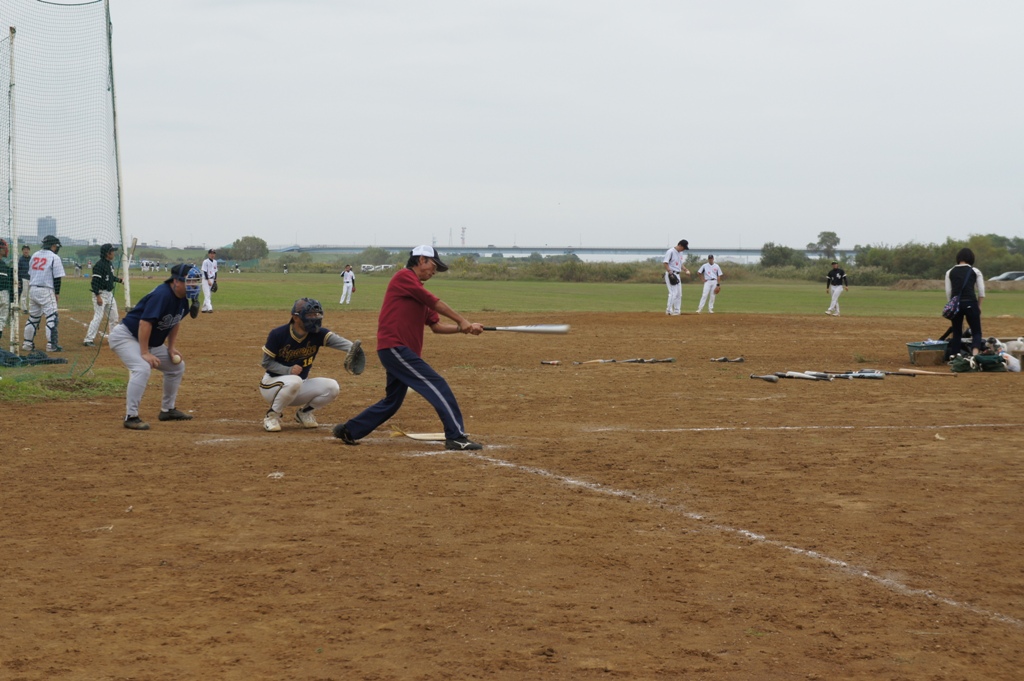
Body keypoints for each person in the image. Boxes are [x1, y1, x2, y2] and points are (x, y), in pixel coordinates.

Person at [333, 245, 484, 450]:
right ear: (421, 260)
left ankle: (350, 430)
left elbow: (437, 327)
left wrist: (463, 329)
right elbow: (435, 301)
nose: (434, 271)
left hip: (400, 351)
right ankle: (456, 436)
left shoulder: (418, 292)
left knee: (392, 401)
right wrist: (462, 320)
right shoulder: (404, 277)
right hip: (395, 347)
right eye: (433, 265)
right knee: (437, 384)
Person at [108, 263, 200, 430]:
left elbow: (175, 321)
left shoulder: (183, 300)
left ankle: (167, 410)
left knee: (176, 367)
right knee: (142, 367)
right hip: (126, 336)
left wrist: (171, 347)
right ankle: (131, 416)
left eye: (195, 282)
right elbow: (145, 323)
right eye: (190, 281)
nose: (193, 285)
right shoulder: (162, 295)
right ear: (176, 282)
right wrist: (144, 352)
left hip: (147, 340)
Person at [259, 298, 360, 432]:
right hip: (272, 385)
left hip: (298, 386)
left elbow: (346, 345)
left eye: (316, 314)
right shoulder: (278, 334)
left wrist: (354, 350)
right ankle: (271, 416)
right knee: (295, 380)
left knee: (332, 387)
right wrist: (288, 370)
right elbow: (266, 363)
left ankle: (304, 413)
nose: (314, 318)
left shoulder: (318, 333)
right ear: (296, 317)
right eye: (310, 315)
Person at [22, 235, 66, 353]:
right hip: (46, 290)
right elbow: (57, 278)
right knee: (52, 317)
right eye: (56, 246)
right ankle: (52, 345)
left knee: (33, 318)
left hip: (33, 289)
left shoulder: (35, 255)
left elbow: (30, 273)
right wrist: (57, 293)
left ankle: (27, 344)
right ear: (52, 246)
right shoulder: (54, 257)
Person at [944, 247, 985, 359]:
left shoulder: (949, 272)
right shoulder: (975, 271)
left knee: (957, 331)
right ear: (971, 258)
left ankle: (955, 355)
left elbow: (948, 292)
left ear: (958, 258)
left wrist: (952, 305)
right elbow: (981, 291)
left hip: (956, 304)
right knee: (976, 331)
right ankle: (975, 355)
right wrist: (979, 306)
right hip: (971, 303)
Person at [83, 243, 123, 347]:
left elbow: (110, 277)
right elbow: (94, 282)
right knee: (98, 317)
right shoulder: (99, 265)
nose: (114, 253)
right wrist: (98, 296)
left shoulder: (109, 264)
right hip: (100, 293)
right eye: (112, 251)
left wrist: (120, 280)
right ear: (107, 253)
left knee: (114, 317)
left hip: (109, 294)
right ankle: (88, 339)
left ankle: (113, 339)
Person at [662, 239, 691, 316]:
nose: (684, 249)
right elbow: (665, 263)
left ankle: (677, 311)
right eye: (684, 248)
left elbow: (680, 264)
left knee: (679, 294)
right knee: (673, 293)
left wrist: (685, 269)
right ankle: (668, 310)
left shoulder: (680, 253)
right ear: (680, 245)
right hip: (671, 274)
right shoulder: (670, 251)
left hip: (677, 274)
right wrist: (670, 272)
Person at [0, 239, 12, 342]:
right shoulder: (3, 265)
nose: (6, 250)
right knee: (2, 318)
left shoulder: (4, 264)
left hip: (3, 293)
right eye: (4, 248)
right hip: (3, 293)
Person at [200, 248, 218, 313]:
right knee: (207, 294)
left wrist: (215, 281)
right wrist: (208, 280)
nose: (212, 255)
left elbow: (215, 272)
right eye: (211, 253)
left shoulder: (215, 262)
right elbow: (204, 271)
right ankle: (210, 308)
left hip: (212, 279)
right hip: (205, 279)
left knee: (209, 294)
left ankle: (204, 308)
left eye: (213, 253)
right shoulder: (205, 261)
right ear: (209, 254)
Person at [18, 243, 31, 313]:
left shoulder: (31, 259)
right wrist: (19, 279)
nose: (26, 251)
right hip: (24, 279)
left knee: (32, 294)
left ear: (29, 251)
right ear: (22, 251)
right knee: (24, 294)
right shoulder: (21, 259)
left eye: (27, 250)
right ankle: (24, 308)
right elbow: (18, 269)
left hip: (31, 279)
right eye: (24, 250)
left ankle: (32, 308)